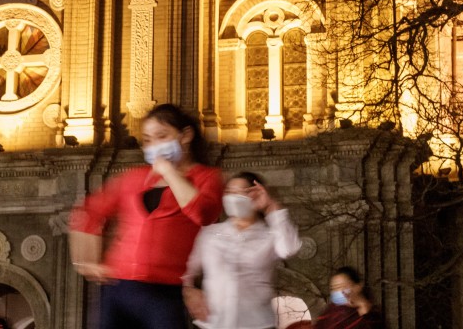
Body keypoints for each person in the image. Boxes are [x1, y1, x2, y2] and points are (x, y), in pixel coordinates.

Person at [70, 103, 224, 329]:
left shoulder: (207, 178)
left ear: (186, 136)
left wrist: (169, 171)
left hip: (163, 292)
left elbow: (203, 213)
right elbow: (88, 211)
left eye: (162, 136)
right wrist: (85, 260)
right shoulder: (134, 178)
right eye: (148, 140)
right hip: (117, 289)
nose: (154, 146)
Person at [183, 171, 303, 329]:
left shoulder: (268, 236)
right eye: (229, 192)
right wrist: (189, 291)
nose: (232, 197)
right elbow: (187, 270)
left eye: (240, 192)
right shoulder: (210, 233)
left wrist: (271, 207)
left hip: (257, 323)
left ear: (255, 195)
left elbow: (289, 249)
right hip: (214, 322)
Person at [313, 266, 384, 329]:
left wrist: (365, 311)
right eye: (334, 288)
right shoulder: (328, 315)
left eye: (341, 287)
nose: (337, 291)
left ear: (357, 287)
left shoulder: (372, 316)